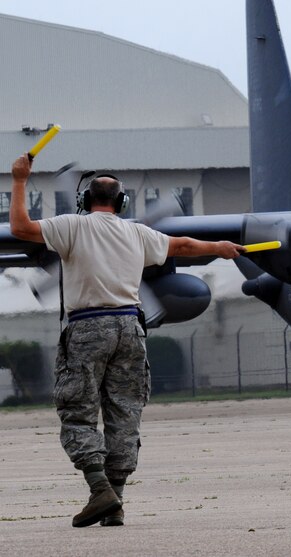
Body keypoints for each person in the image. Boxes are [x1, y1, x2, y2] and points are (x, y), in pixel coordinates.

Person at [9, 154, 245, 528]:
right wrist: (220, 247)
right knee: (124, 411)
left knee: (78, 412)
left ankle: (100, 488)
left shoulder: (72, 226)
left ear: (85, 202)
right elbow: (182, 245)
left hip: (88, 327)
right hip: (131, 328)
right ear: (122, 204)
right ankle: (115, 502)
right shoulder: (137, 232)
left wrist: (20, 179)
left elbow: (21, 227)